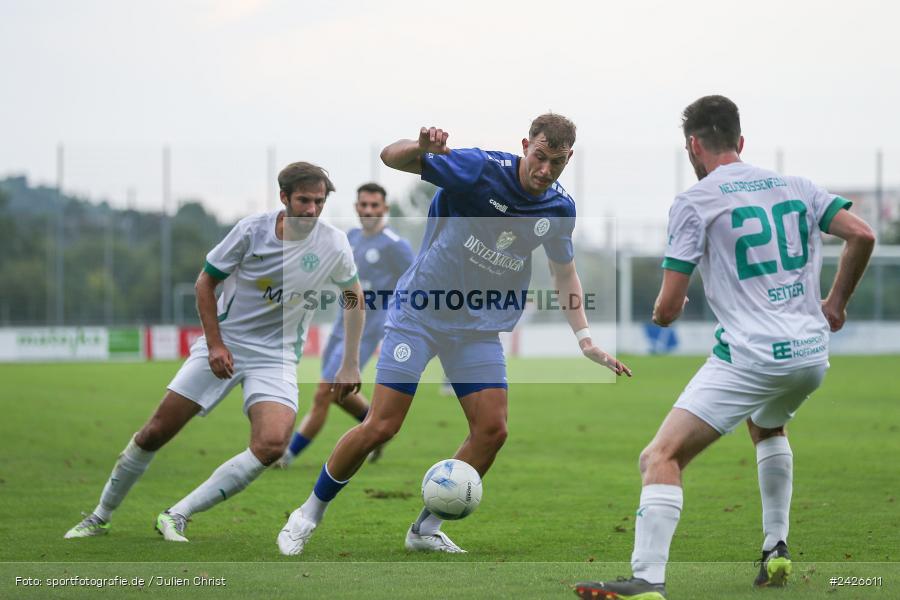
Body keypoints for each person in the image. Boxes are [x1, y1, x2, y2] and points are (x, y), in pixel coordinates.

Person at [277, 114, 632, 557]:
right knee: (382, 425)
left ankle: (425, 529)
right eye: (539, 157)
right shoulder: (479, 169)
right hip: (421, 313)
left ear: (568, 159)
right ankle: (308, 513)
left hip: (477, 328)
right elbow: (391, 158)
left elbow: (565, 273)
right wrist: (421, 147)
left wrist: (585, 339)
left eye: (556, 163)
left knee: (492, 430)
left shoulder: (559, 209)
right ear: (525, 145)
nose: (545, 170)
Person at [575, 96, 875, 599]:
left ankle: (647, 579)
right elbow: (862, 234)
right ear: (740, 141)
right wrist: (836, 302)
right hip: (810, 354)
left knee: (660, 457)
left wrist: (661, 309)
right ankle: (775, 548)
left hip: (751, 356)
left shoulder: (696, 200)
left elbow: (668, 310)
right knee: (767, 423)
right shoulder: (796, 186)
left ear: (693, 145)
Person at [64, 162, 364, 542]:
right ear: (284, 197)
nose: (311, 210)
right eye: (304, 200)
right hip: (226, 343)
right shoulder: (251, 231)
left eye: (319, 202)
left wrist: (351, 361)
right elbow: (205, 283)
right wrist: (216, 344)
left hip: (276, 356)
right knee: (155, 432)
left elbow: (354, 298)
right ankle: (99, 516)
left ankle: (177, 515)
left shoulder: (333, 243)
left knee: (272, 444)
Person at [278, 182, 413, 468]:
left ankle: (286, 455)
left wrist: (399, 316)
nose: (368, 210)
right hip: (342, 324)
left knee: (323, 392)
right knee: (339, 395)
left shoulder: (395, 245)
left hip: (368, 330)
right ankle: (376, 428)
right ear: (356, 207)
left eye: (375, 205)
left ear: (385, 209)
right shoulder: (351, 237)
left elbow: (416, 283)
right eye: (363, 205)